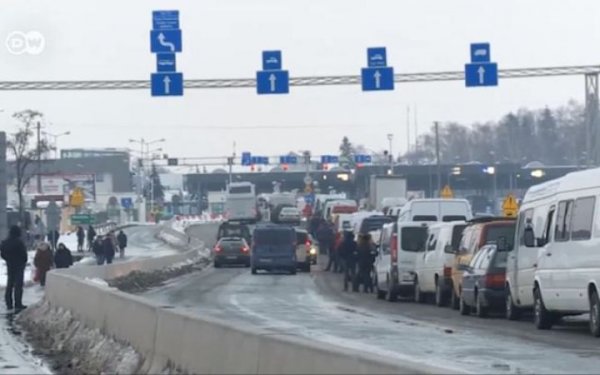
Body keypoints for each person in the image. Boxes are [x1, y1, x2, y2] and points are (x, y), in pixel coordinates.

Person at [1, 226, 28, 310]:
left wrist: (8, 259)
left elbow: (2, 254)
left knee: (10, 284)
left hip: (10, 265)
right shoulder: (19, 242)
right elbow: (24, 254)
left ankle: (9, 303)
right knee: (18, 285)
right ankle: (18, 303)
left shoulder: (5, 242)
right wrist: (23, 261)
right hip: (19, 265)